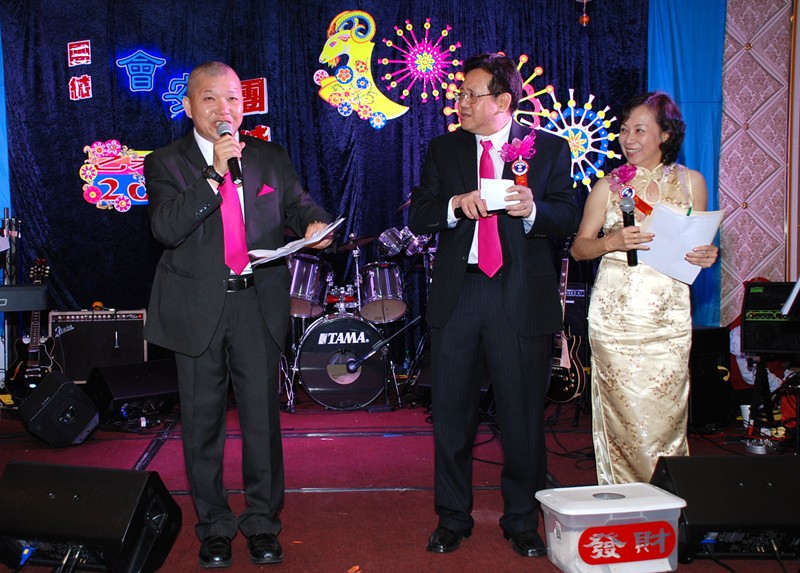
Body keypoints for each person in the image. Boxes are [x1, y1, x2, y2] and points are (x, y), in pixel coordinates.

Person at [144, 61, 331, 568]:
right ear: (189, 107)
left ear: (243, 107)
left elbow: (299, 205)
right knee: (201, 424)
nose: (223, 109)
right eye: (210, 99)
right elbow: (165, 227)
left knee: (261, 421)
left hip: (256, 303)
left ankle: (263, 523)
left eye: (232, 99)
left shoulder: (269, 157)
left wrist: (315, 225)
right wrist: (213, 174)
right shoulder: (165, 161)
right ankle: (214, 527)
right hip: (197, 309)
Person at [408, 52, 579, 557]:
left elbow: (568, 215)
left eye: (470, 94)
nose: (460, 102)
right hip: (459, 294)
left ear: (503, 101)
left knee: (522, 417)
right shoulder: (444, 149)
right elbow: (420, 213)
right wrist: (453, 206)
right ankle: (452, 517)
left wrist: (534, 211)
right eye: (459, 93)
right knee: (451, 415)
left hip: (519, 295)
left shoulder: (549, 148)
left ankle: (522, 519)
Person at [570, 91, 719, 485]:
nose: (628, 138)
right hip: (616, 319)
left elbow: (697, 245)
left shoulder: (692, 182)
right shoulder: (608, 186)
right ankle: (625, 498)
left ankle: (667, 495)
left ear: (666, 134)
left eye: (639, 130)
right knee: (622, 416)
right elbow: (579, 248)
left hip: (669, 319)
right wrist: (611, 242)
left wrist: (707, 255)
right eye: (624, 130)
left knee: (667, 414)